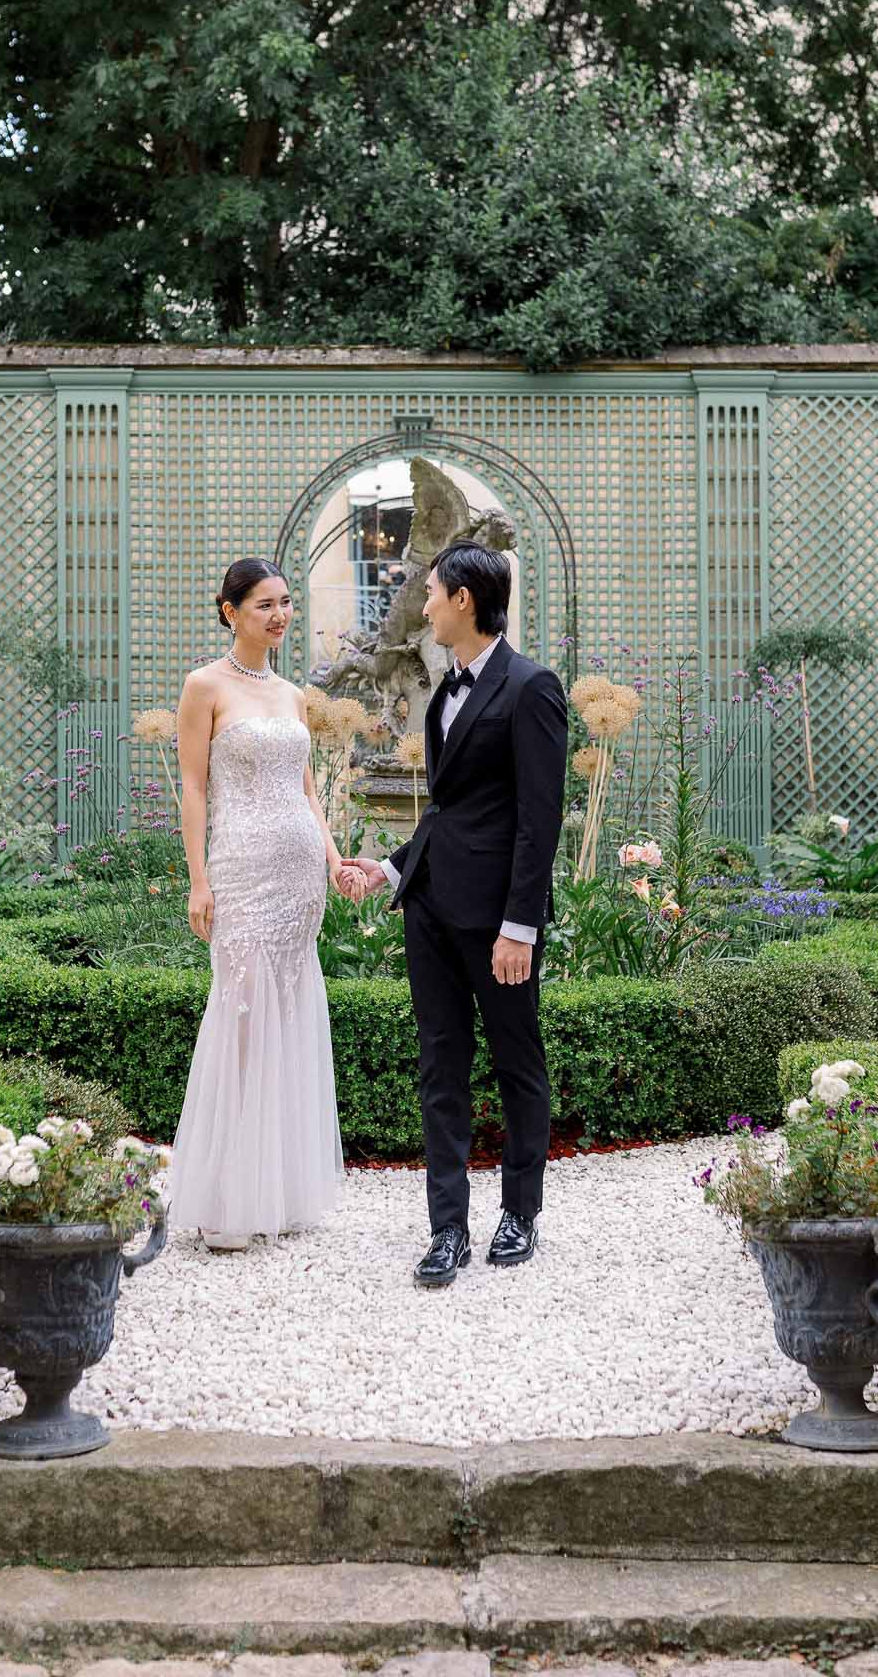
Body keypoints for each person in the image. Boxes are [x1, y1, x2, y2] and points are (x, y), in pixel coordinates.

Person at [346, 543, 568, 1288]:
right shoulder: (444, 692)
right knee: (440, 1069)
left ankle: (519, 1213)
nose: (423, 604)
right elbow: (449, 813)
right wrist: (388, 866)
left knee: (516, 1064)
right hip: (431, 910)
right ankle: (447, 1228)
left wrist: (520, 925)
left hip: (495, 923)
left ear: (465, 600)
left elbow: (539, 821)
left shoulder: (531, 687)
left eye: (431, 591)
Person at [165, 557, 364, 1249]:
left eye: (285, 604)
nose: (278, 616)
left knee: (288, 1009)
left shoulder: (291, 692)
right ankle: (225, 1198)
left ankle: (277, 1192)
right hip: (242, 869)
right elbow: (193, 787)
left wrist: (335, 859)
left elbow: (307, 789)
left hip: (299, 871)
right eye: (262, 605)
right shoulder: (203, 685)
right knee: (243, 1015)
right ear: (229, 611)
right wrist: (197, 878)